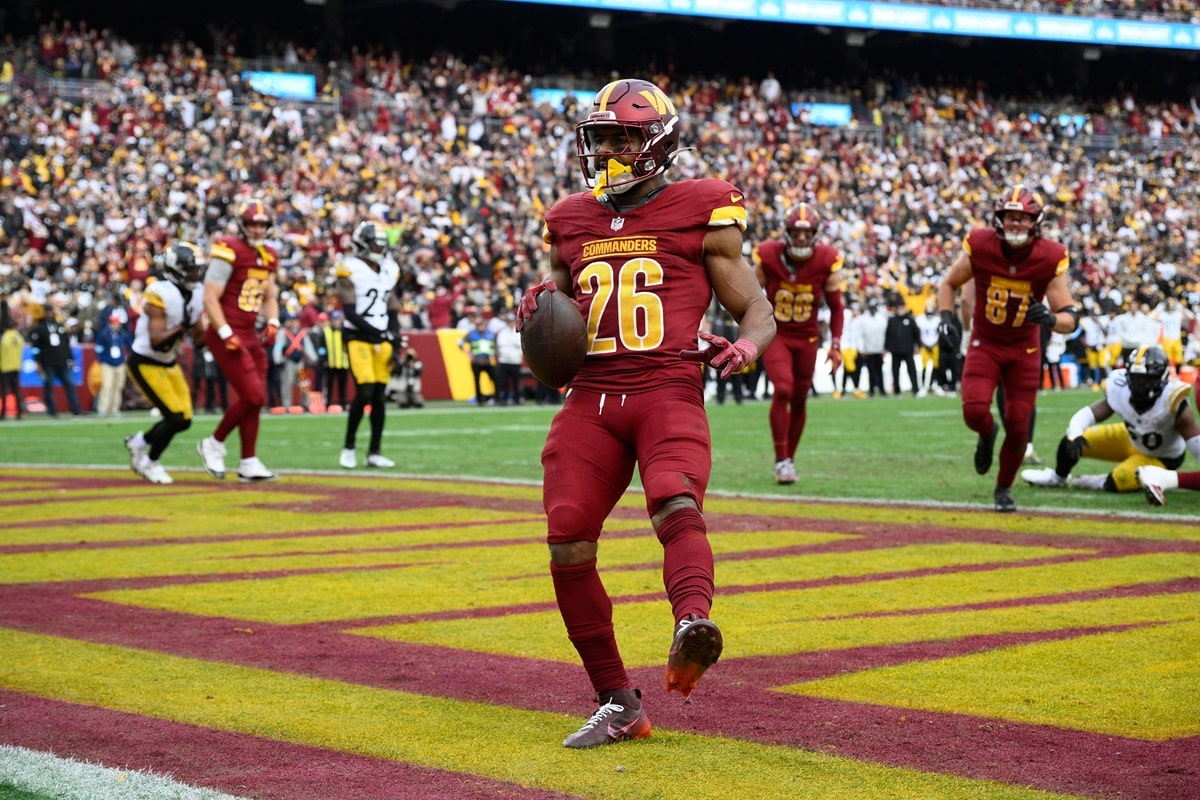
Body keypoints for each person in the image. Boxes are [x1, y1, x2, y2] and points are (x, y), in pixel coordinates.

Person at [516, 78, 776, 749]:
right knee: (567, 537)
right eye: (599, 136)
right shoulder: (569, 218)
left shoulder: (702, 206)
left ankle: (692, 624)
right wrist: (537, 308)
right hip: (592, 396)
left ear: (655, 143)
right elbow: (561, 304)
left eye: (621, 136)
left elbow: (758, 309)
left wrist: (746, 346)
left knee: (673, 502)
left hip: (666, 386)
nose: (606, 147)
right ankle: (617, 701)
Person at [936, 186, 1080, 512]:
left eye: (1023, 218)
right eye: (1010, 217)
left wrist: (1050, 318)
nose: (1015, 224)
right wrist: (946, 317)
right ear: (999, 219)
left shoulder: (1049, 256)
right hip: (985, 343)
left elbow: (1070, 317)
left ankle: (1004, 487)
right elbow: (948, 283)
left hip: (1024, 350)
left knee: (1018, 423)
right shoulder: (981, 244)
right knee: (974, 411)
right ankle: (987, 434)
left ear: (1035, 222)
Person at [1021, 345, 1200, 494]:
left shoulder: (1173, 401)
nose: (1139, 385)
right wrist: (1075, 433)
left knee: (1119, 479)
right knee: (1070, 442)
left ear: (1161, 378)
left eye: (1146, 379)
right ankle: (1058, 478)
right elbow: (1091, 413)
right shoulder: (1120, 387)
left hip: (1163, 455)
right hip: (1131, 438)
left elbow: (1196, 443)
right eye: (1136, 378)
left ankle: (1097, 481)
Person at [752, 202, 844, 484]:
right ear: (787, 232)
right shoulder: (767, 255)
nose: (802, 238)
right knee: (783, 389)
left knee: (801, 398)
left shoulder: (827, 259)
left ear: (815, 234)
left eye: (807, 233)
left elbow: (837, 307)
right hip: (777, 333)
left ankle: (788, 458)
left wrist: (836, 344)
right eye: (797, 232)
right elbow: (751, 296)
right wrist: (748, 334)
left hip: (808, 337)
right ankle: (781, 459)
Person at [196, 198, 282, 483]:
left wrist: (272, 321)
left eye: (262, 224)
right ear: (244, 225)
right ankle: (214, 442)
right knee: (254, 395)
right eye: (253, 224)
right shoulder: (229, 249)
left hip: (249, 333)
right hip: (227, 331)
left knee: (255, 400)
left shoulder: (269, 255)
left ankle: (248, 461)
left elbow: (269, 295)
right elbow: (210, 297)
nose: (257, 229)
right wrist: (224, 332)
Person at [125, 243, 207, 485]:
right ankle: (150, 462)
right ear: (177, 270)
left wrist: (213, 330)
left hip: (168, 362)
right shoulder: (159, 292)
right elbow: (157, 340)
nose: (196, 274)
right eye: (191, 270)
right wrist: (184, 326)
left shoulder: (197, 293)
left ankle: (139, 442)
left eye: (197, 269)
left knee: (185, 418)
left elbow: (200, 340)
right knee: (175, 418)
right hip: (145, 361)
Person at [336, 220, 401, 469]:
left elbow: (392, 306)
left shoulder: (389, 269)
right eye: (375, 243)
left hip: (381, 337)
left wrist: (393, 334)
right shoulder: (348, 268)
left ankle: (374, 451)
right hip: (358, 337)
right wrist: (382, 333)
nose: (379, 248)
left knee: (378, 396)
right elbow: (350, 313)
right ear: (362, 243)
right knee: (363, 391)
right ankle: (349, 447)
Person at [28, 300, 83, 417]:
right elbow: (35, 348)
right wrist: (38, 362)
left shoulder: (59, 327)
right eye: (47, 312)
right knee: (49, 387)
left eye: (50, 311)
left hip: (62, 361)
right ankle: (52, 411)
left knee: (69, 385)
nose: (49, 314)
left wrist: (70, 358)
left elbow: (66, 344)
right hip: (48, 362)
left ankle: (76, 409)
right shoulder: (39, 329)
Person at [94, 312, 132, 417]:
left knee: (118, 387)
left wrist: (127, 358)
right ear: (111, 323)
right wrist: (102, 361)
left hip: (120, 363)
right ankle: (103, 409)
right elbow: (99, 349)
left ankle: (115, 409)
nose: (117, 325)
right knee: (107, 386)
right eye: (115, 323)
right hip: (108, 364)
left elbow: (129, 345)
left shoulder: (122, 333)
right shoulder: (104, 334)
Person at [460, 313, 497, 406]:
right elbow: (460, 343)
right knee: (477, 381)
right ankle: (479, 400)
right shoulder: (471, 333)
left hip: (487, 361)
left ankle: (495, 397)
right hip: (476, 361)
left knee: (494, 379)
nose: (480, 327)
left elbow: (495, 345)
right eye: (478, 325)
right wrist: (468, 354)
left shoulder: (489, 333)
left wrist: (494, 353)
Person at [1, 315, 27, 419]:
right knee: (16, 391)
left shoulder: (4, 337)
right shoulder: (19, 337)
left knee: (3, 391)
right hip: (16, 366)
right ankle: (20, 411)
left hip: (4, 367)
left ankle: (3, 412)